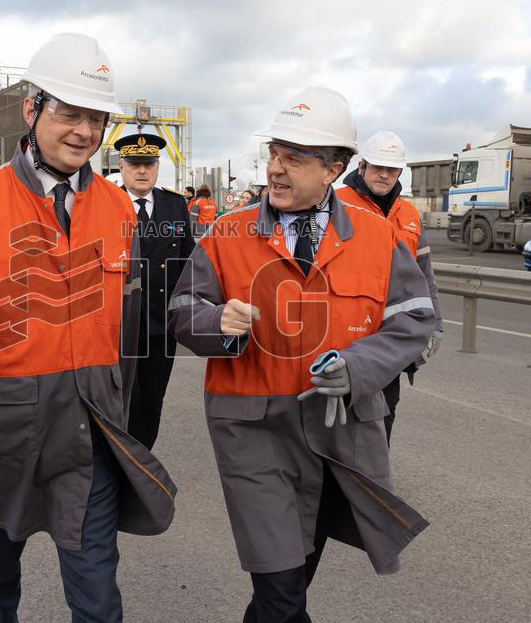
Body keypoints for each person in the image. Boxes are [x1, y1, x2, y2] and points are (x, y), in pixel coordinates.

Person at [0, 32, 176, 622]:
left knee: (98, 602)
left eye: (95, 118)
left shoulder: (120, 210)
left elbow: (131, 335)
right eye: (69, 113)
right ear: (32, 109)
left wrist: (131, 426)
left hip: (87, 436)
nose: (84, 131)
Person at [169, 86, 436, 622]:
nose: (276, 169)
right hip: (253, 431)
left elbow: (416, 319)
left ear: (334, 168)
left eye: (294, 157)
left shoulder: (378, 238)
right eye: (273, 153)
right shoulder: (227, 233)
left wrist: (358, 367)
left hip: (339, 436)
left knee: (292, 580)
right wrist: (215, 323)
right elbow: (180, 310)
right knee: (281, 588)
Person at [337, 131, 444, 443]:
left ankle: (372, 487)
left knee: (383, 415)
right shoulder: (334, 205)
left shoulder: (408, 215)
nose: (384, 174)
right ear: (361, 166)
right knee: (337, 420)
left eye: (391, 169)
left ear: (400, 172)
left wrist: (433, 327)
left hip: (391, 338)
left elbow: (425, 277)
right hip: (347, 336)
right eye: (377, 167)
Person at [114, 133, 195, 449]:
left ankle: (140, 462)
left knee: (150, 400)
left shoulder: (174, 205)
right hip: (119, 325)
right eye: (134, 165)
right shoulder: (107, 204)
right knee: (116, 397)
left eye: (148, 164)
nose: (142, 171)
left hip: (161, 325)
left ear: (157, 167)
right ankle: (115, 460)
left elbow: (188, 261)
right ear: (122, 167)